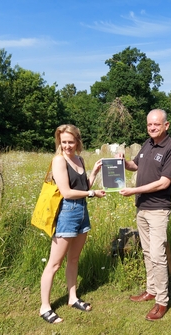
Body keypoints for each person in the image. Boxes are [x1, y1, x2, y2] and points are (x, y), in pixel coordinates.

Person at [118, 109, 171, 321]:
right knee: (147, 252)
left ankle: (162, 301)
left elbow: (164, 182)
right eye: (149, 125)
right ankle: (151, 290)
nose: (152, 128)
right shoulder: (147, 144)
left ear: (166, 125)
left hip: (158, 209)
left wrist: (134, 191)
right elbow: (135, 166)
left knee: (157, 255)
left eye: (156, 124)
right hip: (142, 208)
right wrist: (122, 162)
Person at [39, 124, 106, 324]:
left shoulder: (80, 159)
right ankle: (45, 307)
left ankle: (72, 298)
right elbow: (67, 192)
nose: (67, 145)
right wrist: (92, 193)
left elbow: (84, 187)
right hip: (67, 212)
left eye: (71, 141)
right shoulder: (59, 160)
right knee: (55, 263)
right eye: (63, 142)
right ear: (59, 141)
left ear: (77, 142)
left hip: (82, 211)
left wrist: (93, 172)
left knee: (74, 259)